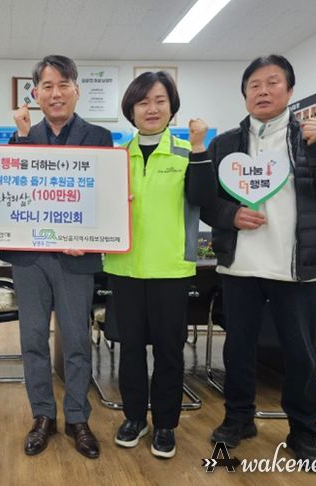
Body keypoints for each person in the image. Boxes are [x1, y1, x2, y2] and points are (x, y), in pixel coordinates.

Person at [201, 55, 316, 464]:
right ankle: (238, 418)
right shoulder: (225, 145)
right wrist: (230, 215)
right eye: (254, 85)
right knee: (238, 348)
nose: (263, 91)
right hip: (240, 264)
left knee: (300, 353)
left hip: (297, 266)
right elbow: (206, 202)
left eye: (272, 82)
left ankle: (305, 432)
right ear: (244, 94)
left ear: (289, 90)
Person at [0, 55, 112, 459]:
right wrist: (22, 137)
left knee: (77, 341)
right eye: (47, 86)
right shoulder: (22, 137)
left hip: (75, 258)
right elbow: (13, 192)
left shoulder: (99, 138)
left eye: (64, 84)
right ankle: (42, 415)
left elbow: (103, 196)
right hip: (30, 259)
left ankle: (77, 417)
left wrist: (91, 234)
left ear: (77, 90)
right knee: (32, 340)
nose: (56, 93)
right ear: (35, 94)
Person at [103, 72, 216, 459]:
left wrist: (199, 147)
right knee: (131, 349)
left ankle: (166, 424)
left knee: (169, 350)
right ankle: (134, 417)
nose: (151, 109)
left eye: (159, 100)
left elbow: (203, 198)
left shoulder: (187, 153)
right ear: (131, 110)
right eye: (143, 102)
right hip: (125, 267)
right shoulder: (116, 157)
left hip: (171, 268)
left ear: (172, 107)